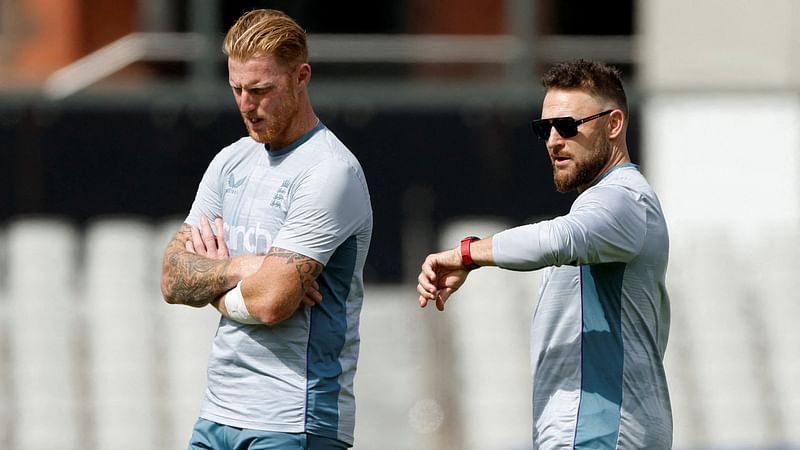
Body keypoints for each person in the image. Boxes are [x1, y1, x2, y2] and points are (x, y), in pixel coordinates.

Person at [416, 59, 671, 449]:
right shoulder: (607, 204)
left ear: (614, 124)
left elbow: (558, 239)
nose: (553, 140)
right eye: (544, 128)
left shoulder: (624, 199)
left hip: (599, 430)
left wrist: (467, 254)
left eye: (568, 126)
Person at [160, 9, 373, 450]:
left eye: (260, 90)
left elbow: (272, 304)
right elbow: (171, 278)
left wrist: (215, 282)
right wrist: (248, 267)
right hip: (216, 413)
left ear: (301, 77)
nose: (245, 104)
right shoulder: (230, 160)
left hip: (294, 418)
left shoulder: (329, 172)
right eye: (236, 88)